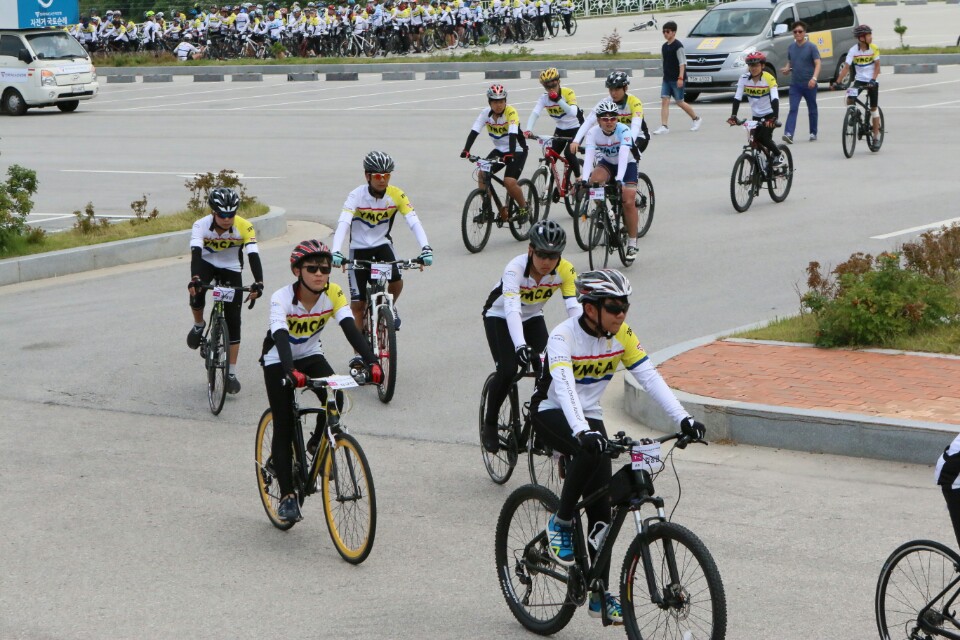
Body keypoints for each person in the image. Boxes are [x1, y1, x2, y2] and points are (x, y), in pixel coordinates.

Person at [531, 269, 706, 624]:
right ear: (591, 308)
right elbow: (563, 387)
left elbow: (650, 378)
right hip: (551, 411)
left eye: (625, 306)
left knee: (603, 509)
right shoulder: (564, 336)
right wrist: (581, 432)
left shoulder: (621, 335)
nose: (621, 313)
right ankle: (562, 521)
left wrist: (683, 420)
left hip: (589, 416)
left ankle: (600, 594)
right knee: (589, 450)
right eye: (614, 307)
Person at [261, 240, 383, 523]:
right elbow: (280, 336)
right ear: (297, 271)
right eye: (312, 268)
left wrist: (373, 362)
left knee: (336, 398)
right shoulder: (281, 298)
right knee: (284, 423)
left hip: (311, 354)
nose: (319, 274)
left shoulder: (334, 293)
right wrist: (291, 371)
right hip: (279, 359)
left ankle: (317, 443)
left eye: (325, 269)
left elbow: (350, 329)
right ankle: (288, 496)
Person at [481, 220, 581, 453]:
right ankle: (490, 422)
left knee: (550, 369)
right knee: (507, 369)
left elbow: (575, 310)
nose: (547, 262)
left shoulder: (566, 270)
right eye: (542, 255)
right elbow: (512, 309)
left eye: (553, 256)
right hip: (499, 315)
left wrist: (580, 343)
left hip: (533, 315)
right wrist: (520, 346)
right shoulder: (515, 268)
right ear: (530, 251)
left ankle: (540, 426)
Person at [330, 151, 433, 333]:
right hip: (358, 249)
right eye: (378, 175)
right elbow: (344, 222)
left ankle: (389, 306)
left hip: (382, 245)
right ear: (367, 176)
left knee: (397, 280)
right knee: (358, 306)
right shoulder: (356, 196)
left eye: (386, 175)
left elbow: (413, 221)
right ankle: (358, 354)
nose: (382, 180)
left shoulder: (396, 195)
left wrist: (425, 247)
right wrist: (336, 251)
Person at [187, 187, 264, 394]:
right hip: (206, 262)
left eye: (231, 214)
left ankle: (230, 372)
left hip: (230, 266)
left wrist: (259, 282)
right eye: (222, 214)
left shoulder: (244, 226)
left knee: (234, 319)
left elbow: (253, 255)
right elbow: (195, 252)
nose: (227, 219)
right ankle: (199, 324)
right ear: (213, 212)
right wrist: (195, 278)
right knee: (197, 291)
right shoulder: (200, 225)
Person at [579, 98, 641, 265]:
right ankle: (606, 213)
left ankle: (632, 243)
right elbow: (589, 157)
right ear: (598, 120)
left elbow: (622, 157)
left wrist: (620, 179)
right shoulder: (593, 133)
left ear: (617, 119)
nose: (609, 122)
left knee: (628, 201)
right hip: (607, 163)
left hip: (626, 165)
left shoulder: (624, 131)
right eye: (605, 119)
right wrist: (585, 179)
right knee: (595, 181)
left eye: (613, 118)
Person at [460, 84, 531, 223]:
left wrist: (510, 154)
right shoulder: (485, 113)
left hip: (517, 150)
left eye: (501, 101)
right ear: (489, 103)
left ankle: (524, 208)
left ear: (505, 101)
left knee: (509, 182)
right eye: (495, 102)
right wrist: (466, 150)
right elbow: (474, 131)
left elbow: (512, 133)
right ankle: (487, 210)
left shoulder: (511, 112)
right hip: (500, 150)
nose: (498, 105)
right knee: (482, 174)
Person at [726, 51, 784, 175]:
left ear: (762, 66)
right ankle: (759, 168)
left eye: (756, 65)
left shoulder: (769, 78)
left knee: (763, 138)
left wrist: (774, 118)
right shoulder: (744, 78)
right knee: (753, 141)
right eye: (751, 66)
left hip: (769, 114)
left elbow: (775, 98)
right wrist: (733, 116)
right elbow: (737, 97)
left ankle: (778, 155)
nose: (753, 68)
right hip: (756, 115)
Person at [524, 68, 583, 182]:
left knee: (569, 153)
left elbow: (572, 112)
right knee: (549, 158)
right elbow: (535, 113)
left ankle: (578, 179)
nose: (551, 88)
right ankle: (548, 189)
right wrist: (528, 130)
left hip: (577, 126)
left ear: (559, 81)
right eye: (547, 86)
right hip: (561, 128)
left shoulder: (568, 92)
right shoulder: (544, 98)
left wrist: (558, 99)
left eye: (553, 84)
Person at [653, 21, 702, 135]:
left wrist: (680, 78)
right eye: (664, 31)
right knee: (665, 100)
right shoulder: (664, 47)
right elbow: (664, 61)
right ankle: (664, 126)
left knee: (680, 102)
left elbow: (682, 63)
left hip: (676, 79)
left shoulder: (678, 46)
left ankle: (696, 119)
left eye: (668, 31)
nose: (665, 34)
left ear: (673, 32)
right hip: (667, 78)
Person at [834, 24, 881, 141]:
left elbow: (877, 67)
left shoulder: (874, 48)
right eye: (868, 35)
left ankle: (876, 136)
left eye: (870, 34)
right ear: (861, 38)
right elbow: (846, 67)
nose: (871, 37)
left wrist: (873, 80)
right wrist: (837, 82)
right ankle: (856, 114)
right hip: (859, 80)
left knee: (873, 109)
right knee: (850, 98)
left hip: (872, 81)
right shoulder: (853, 50)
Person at [779, 20, 821, 143]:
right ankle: (789, 133)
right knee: (793, 108)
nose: (797, 33)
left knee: (812, 108)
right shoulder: (791, 47)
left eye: (800, 31)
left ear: (804, 32)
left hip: (809, 84)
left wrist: (814, 78)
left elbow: (818, 64)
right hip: (795, 84)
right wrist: (787, 69)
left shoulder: (811, 47)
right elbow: (791, 62)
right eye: (795, 32)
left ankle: (813, 132)